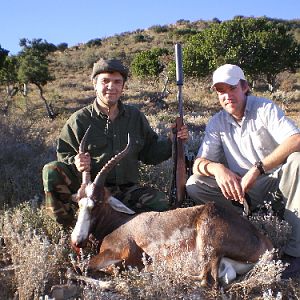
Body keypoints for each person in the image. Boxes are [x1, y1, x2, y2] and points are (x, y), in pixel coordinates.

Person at [43, 58, 188, 228]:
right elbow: (64, 155)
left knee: (162, 204)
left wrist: (172, 141)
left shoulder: (135, 117)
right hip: (91, 192)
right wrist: (75, 162)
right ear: (95, 84)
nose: (111, 87)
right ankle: (71, 228)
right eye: (105, 81)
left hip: (125, 191)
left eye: (117, 82)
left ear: (123, 86)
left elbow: (150, 154)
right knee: (50, 170)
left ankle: (126, 233)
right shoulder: (79, 120)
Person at [186, 64, 300, 279]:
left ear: (245, 86)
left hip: (275, 183)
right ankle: (242, 227)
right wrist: (217, 169)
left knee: (298, 161)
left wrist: (257, 169)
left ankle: (295, 255)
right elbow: (199, 163)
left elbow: (296, 139)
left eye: (232, 88)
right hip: (241, 191)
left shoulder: (265, 108)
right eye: (221, 91)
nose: (227, 96)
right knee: (194, 184)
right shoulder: (217, 122)